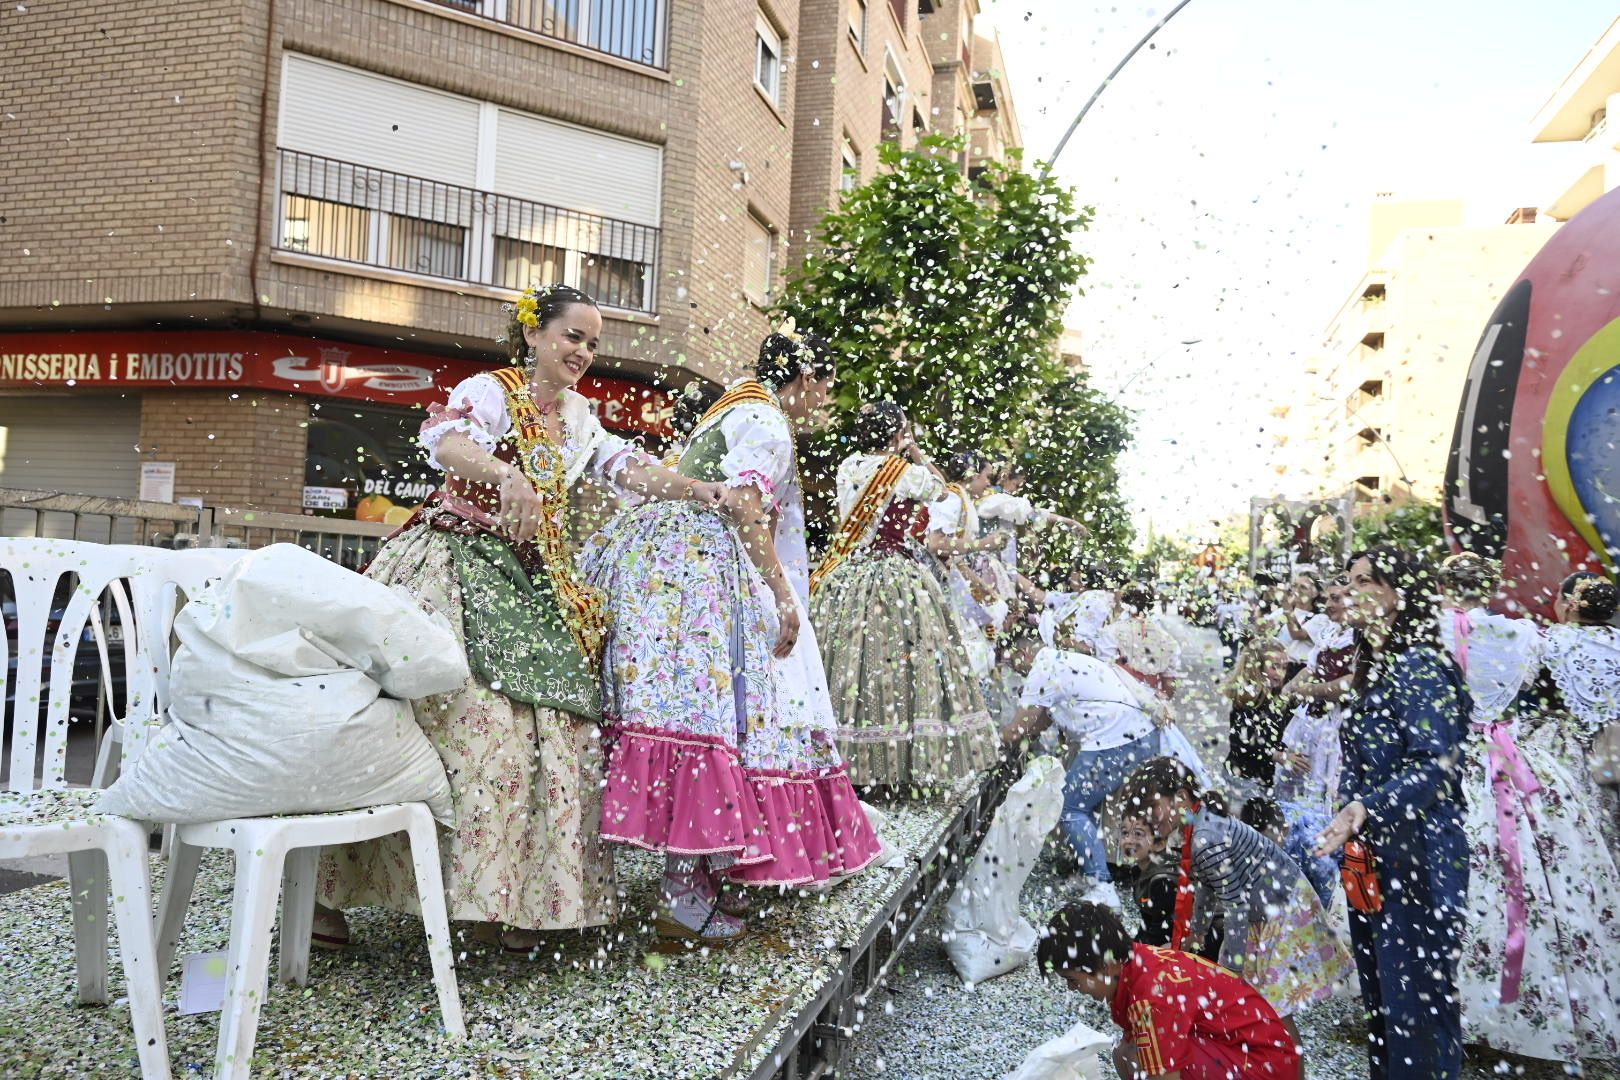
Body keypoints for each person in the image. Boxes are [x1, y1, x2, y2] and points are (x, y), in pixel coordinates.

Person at [314, 284, 729, 953]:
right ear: (534, 335)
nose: (584, 353)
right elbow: (445, 443)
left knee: (557, 729)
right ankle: (330, 898)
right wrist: (505, 477)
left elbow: (627, 467)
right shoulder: (490, 390)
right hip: (452, 562)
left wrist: (698, 490)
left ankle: (514, 901)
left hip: (529, 582)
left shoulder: (580, 416)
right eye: (573, 336)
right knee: (434, 718)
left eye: (593, 343)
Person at [582, 330, 882, 946]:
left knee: (687, 720)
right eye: (824, 386)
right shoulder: (769, 423)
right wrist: (780, 593)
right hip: (704, 573)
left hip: (662, 566)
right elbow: (747, 507)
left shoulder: (731, 406)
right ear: (804, 379)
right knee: (710, 723)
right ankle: (684, 896)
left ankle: (686, 883)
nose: (824, 399)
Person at [1443, 555, 1620, 1064]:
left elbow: (1509, 684)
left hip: (1558, 757)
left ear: (1567, 604)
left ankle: (1479, 1000)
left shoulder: (1547, 641)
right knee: (1584, 870)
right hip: (1602, 762)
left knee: (1508, 871)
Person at [1314, 546, 1470, 1080]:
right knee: (1382, 999)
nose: (1349, 592)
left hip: (1421, 856)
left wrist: (1365, 806)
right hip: (1373, 855)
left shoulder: (1423, 667)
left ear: (1396, 596)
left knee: (1415, 1004)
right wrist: (1347, 811)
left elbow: (1437, 765)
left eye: (1364, 582)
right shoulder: (1373, 668)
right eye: (1349, 580)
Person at [810, 401, 1001, 794]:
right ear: (897, 435)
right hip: (893, 577)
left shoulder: (849, 465)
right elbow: (944, 491)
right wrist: (914, 452)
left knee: (848, 659)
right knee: (897, 662)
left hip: (847, 572)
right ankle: (892, 765)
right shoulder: (908, 474)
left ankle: (840, 757)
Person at [1118, 757, 1350, 1037]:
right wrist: (1198, 932)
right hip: (1269, 907)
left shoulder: (1205, 836)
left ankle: (1286, 1068)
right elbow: (1206, 883)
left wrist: (1230, 971)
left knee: (1271, 1009)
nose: (1148, 818)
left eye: (1152, 808)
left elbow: (1235, 907)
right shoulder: (1199, 822)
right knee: (1265, 1007)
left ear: (1180, 798)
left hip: (1282, 910)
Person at [1037, 901, 1301, 1080]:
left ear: (1106, 965)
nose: (1073, 989)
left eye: (1073, 980)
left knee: (1137, 1056)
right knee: (1129, 1051)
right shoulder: (1139, 959)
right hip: (1267, 1057)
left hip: (1265, 1066)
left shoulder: (1151, 997)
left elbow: (1164, 1075)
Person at [1001, 641, 1169, 911]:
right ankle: (1091, 872)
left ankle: (1104, 889)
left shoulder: (1041, 670)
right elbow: (1041, 720)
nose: (1017, 671)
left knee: (1069, 807)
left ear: (1023, 652)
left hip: (1118, 742)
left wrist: (987, 740)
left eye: (1012, 663)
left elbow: (1017, 730)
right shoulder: (1063, 661)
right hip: (1137, 734)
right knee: (1083, 805)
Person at [1529, 570, 1620, 854]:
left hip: (1574, 754)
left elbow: (1528, 688)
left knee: (1583, 835)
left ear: (1569, 604)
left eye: (1557, 595)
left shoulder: (1552, 642)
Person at [1221, 638, 1291, 792]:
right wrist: (1275, 755)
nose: (1281, 673)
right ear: (1257, 668)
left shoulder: (1271, 696)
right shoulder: (1249, 698)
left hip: (1259, 778)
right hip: (1242, 779)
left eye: (1284, 667)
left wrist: (1283, 750)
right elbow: (1241, 741)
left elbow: (1268, 736)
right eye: (1274, 667)